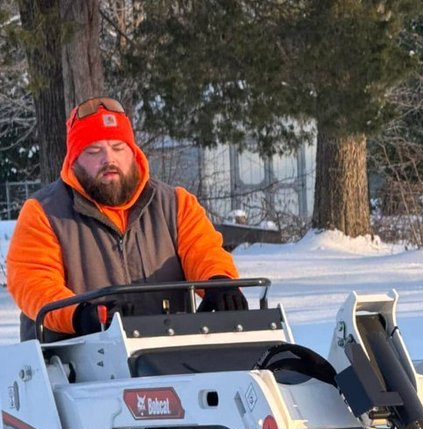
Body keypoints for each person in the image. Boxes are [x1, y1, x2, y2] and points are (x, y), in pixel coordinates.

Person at [7, 97, 247, 341]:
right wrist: (79, 315)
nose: (108, 160)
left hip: (169, 357)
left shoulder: (176, 204)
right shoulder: (43, 212)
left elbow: (205, 253)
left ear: (133, 153)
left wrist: (220, 283)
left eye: (118, 148)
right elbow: (33, 283)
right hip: (71, 362)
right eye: (94, 151)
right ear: (74, 160)